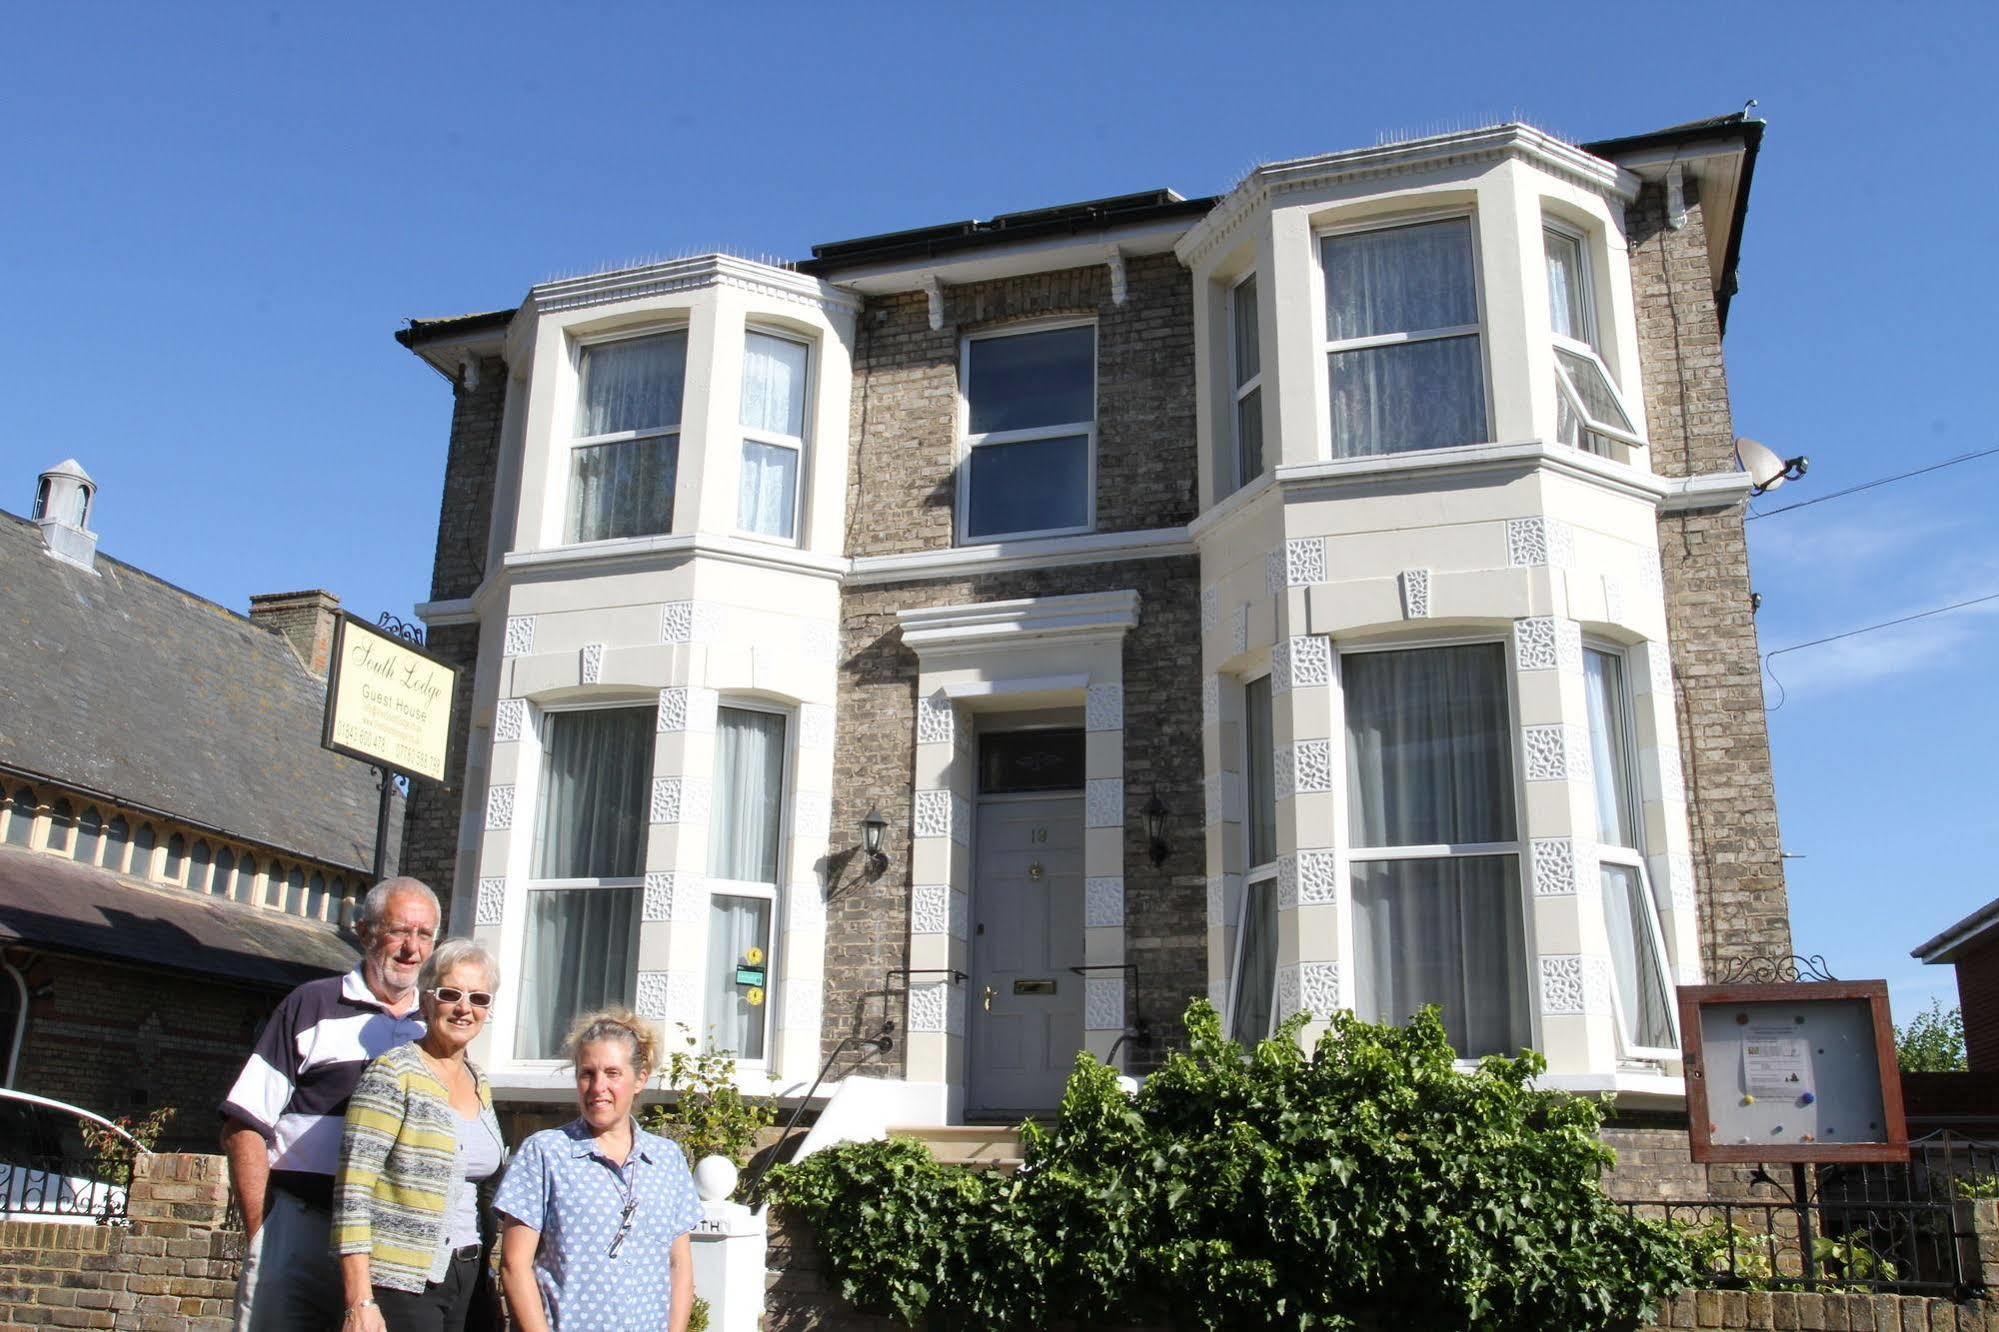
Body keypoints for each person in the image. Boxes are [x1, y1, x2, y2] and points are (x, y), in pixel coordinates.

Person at [220, 878, 439, 1331]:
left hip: (388, 1245)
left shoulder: (435, 1027)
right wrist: (265, 1233)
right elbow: (243, 1124)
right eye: (399, 930)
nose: (411, 948)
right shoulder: (311, 1005)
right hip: (302, 1228)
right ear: (365, 932)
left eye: (424, 935)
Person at [494, 1008, 704, 1331]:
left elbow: (679, 1265)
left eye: (612, 1073)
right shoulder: (547, 1153)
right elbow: (514, 1265)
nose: (597, 1087)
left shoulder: (667, 1160)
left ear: (640, 1078)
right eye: (587, 1073)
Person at [335, 938, 507, 1331]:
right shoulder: (393, 1074)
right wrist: (359, 1300)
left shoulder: (480, 1081)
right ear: (427, 1000)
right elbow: (352, 1193)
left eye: (479, 998)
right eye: (451, 994)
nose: (465, 1008)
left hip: (471, 1274)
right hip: (401, 1281)